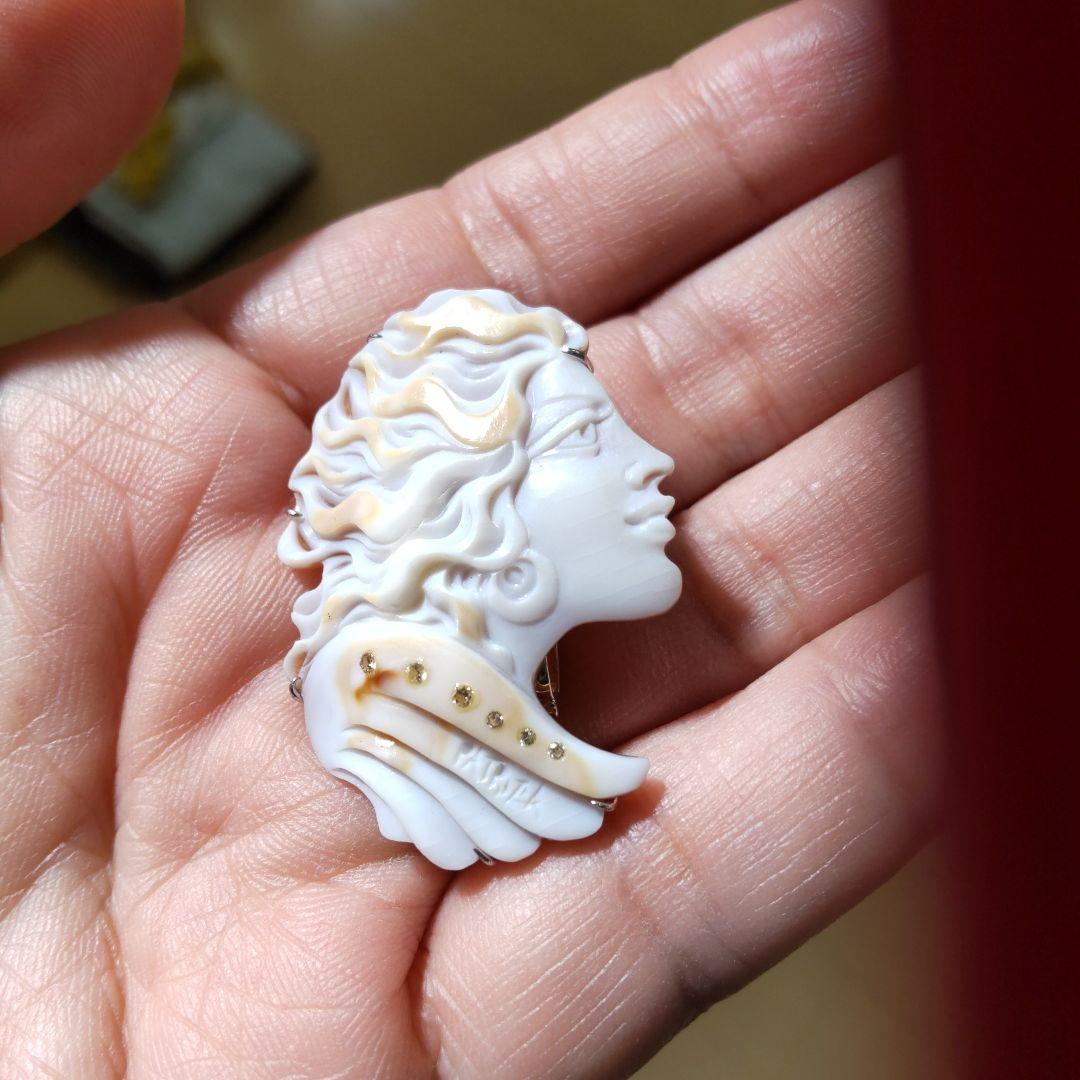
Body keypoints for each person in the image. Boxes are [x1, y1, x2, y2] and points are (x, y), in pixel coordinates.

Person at [0, 0, 938, 1076]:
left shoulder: (480, 723)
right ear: (467, 496)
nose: (653, 463)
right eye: (589, 437)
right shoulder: (387, 707)